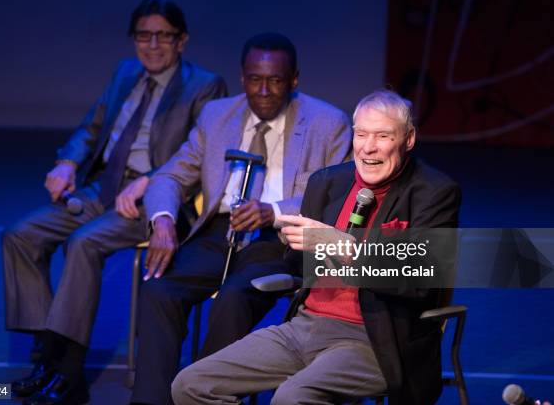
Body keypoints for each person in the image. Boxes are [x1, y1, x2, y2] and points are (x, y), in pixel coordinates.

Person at [171, 89, 462, 405]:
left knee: (291, 399)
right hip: (305, 327)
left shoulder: (434, 193)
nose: (368, 148)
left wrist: (341, 246)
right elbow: (299, 267)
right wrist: (293, 243)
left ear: (408, 139)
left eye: (383, 136)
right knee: (191, 383)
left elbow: (418, 281)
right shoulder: (328, 182)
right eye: (361, 134)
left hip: (377, 339)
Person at [3, 0, 227, 405]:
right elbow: (91, 127)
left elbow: (198, 155)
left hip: (153, 199)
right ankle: (48, 352)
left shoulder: (205, 85)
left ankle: (68, 374)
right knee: (21, 235)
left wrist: (150, 181)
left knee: (84, 242)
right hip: (103, 187)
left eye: (164, 36)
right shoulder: (125, 72)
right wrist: (68, 162)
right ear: (133, 39)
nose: (153, 44)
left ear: (182, 41)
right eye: (144, 35)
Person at [129, 32, 352, 404]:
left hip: (279, 241)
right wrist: (164, 221)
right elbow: (169, 175)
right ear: (242, 77)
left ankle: (199, 395)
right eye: (254, 80)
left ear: (294, 79)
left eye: (275, 81)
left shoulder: (327, 123)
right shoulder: (218, 116)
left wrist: (274, 211)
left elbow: (331, 199)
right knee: (157, 289)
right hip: (219, 233)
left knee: (233, 298)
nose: (263, 91)